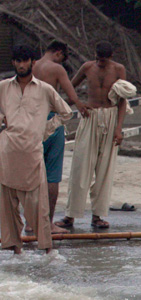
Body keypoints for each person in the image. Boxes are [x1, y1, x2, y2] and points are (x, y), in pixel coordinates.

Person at [0, 45, 72, 254]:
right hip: (7, 151)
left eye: (25, 61)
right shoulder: (3, 87)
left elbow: (65, 113)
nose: (21, 65)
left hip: (32, 150)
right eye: (17, 61)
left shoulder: (44, 89)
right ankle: (15, 250)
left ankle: (48, 249)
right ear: (13, 62)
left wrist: (43, 130)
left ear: (32, 62)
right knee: (7, 203)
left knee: (37, 203)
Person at [60, 42, 134, 231]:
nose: (101, 63)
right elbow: (70, 85)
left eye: (104, 60)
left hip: (110, 116)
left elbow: (123, 100)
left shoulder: (118, 69)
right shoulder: (87, 67)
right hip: (90, 116)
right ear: (95, 56)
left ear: (110, 57)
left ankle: (97, 216)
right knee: (80, 166)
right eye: (99, 59)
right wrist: (78, 103)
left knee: (105, 169)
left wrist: (119, 129)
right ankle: (70, 216)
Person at [32, 41, 87, 232]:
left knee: (32, 172)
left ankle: (31, 222)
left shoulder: (31, 65)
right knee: (52, 175)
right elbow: (72, 96)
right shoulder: (56, 68)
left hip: (30, 122)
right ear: (58, 53)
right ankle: (47, 223)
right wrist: (78, 106)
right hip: (51, 121)